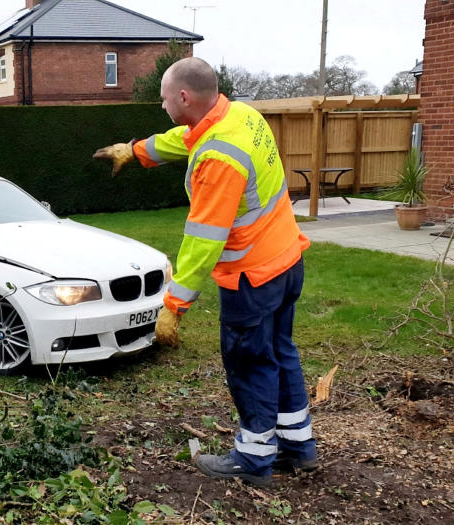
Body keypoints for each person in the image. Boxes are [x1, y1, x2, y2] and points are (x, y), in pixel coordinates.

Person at [93, 57, 315, 486]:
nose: (160, 105)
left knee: (250, 363)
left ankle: (252, 459)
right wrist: (136, 151)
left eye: (162, 98)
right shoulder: (240, 115)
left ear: (183, 96)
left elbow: (203, 239)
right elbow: (186, 137)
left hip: (251, 277)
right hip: (287, 260)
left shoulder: (218, 160)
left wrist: (173, 305)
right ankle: (298, 448)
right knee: (279, 352)